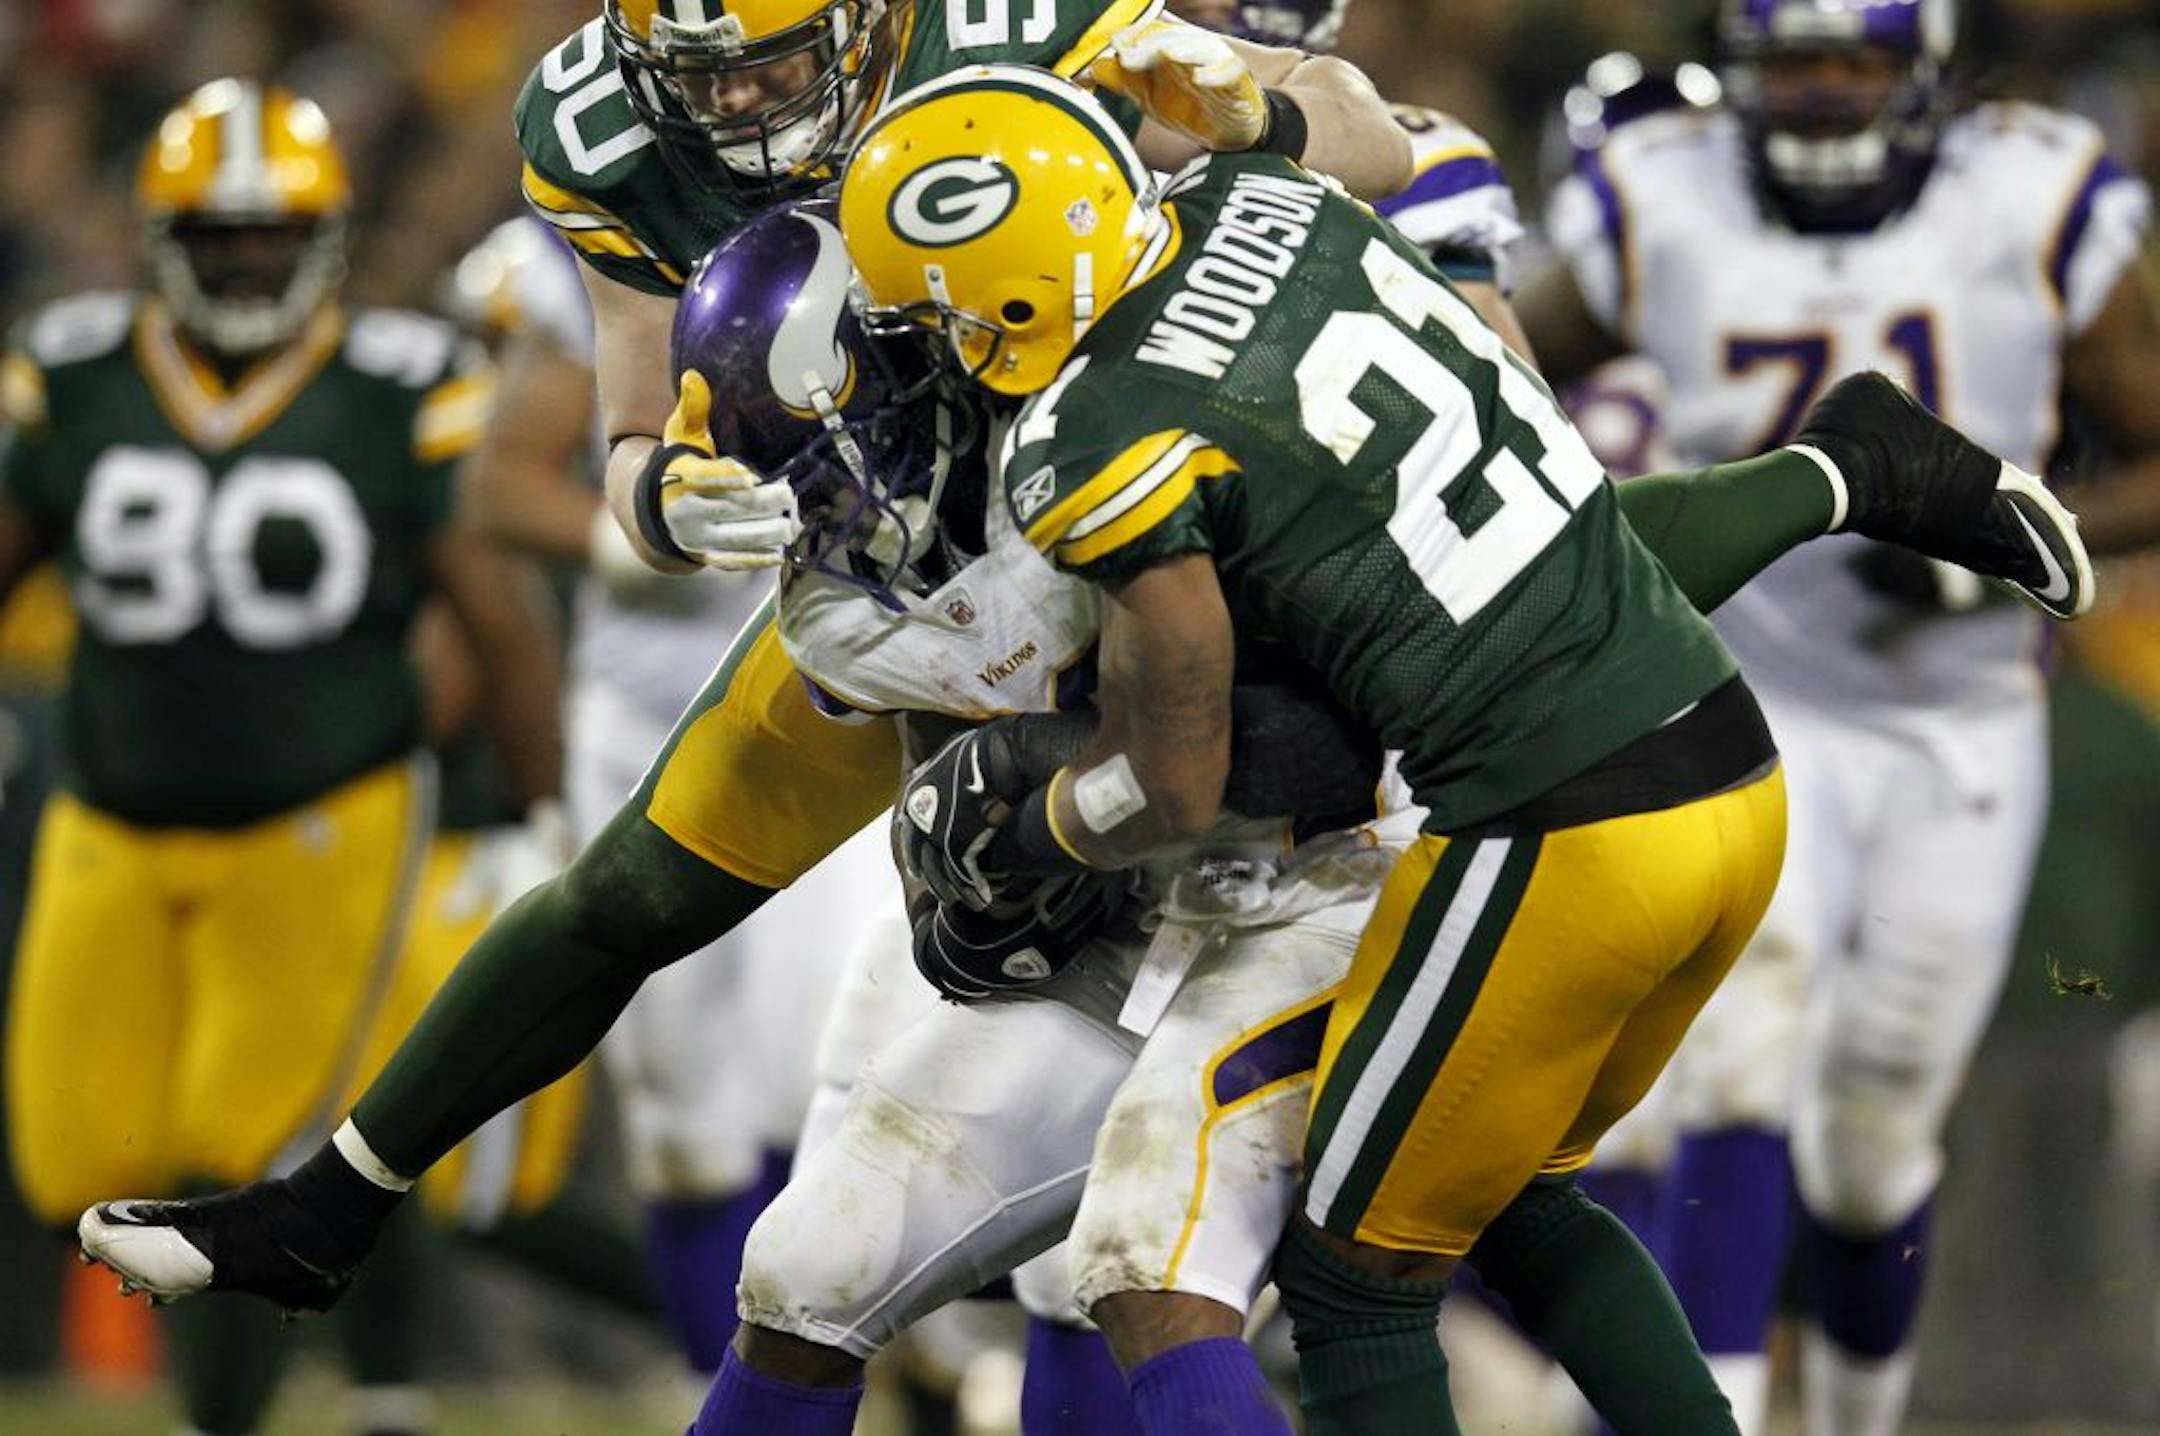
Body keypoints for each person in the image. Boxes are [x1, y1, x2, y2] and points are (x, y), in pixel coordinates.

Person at [835, 62, 2093, 1436]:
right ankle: (1832, 473)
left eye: (929, 312)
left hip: (1561, 833)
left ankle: (1837, 471)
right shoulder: (1267, 208)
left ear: (1006, 291)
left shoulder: (1090, 438)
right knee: (1507, 1199)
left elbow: (1175, 773)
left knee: (1354, 1277)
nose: (921, 345)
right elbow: (1357, 142)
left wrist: (1035, 829)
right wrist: (1244, 115)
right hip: (1727, 765)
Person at [1515, 2, 2158, 1430]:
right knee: (1742, 1044)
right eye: (1792, 61)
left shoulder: (2034, 196)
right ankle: (1723, 1409)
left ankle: (1860, 1415)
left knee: (1875, 1151)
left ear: (1922, 73)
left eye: (1852, 61)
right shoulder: (1657, 195)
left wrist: (2011, 540)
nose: (1820, 95)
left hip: (1963, 729)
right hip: (1750, 689)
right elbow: (1502, 366)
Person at [0, 81, 561, 1436]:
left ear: (325, 236)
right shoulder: (69, 368)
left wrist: (534, 812)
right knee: (67, 1151)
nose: (247, 260)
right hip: (110, 812)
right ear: (158, 238)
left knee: (243, 1144)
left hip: (323, 813)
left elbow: (493, 608)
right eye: (217, 235)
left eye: (271, 233)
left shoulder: (400, 382)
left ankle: (270, 1412)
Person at [447, 212, 890, 1376]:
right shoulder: (601, 234)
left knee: (830, 1087)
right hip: (644, 718)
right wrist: (637, 527)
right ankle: (717, 1391)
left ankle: (920, 1376)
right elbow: (499, 488)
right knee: (684, 1124)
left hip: (829, 714)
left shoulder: (891, 208)